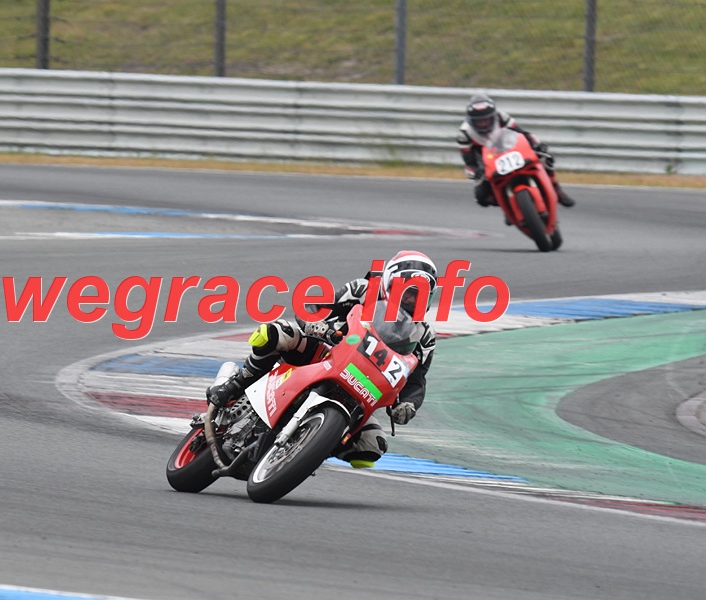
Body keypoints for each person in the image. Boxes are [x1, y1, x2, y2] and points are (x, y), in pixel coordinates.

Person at [206, 250, 438, 469]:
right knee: (275, 333)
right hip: (323, 353)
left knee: (371, 446)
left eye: (419, 295)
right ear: (389, 283)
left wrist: (408, 404)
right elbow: (311, 307)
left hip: (364, 388)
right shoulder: (362, 290)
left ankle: (305, 448)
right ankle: (235, 385)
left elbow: (416, 380)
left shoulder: (424, 336)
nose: (411, 300)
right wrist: (317, 325)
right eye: (408, 291)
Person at [457, 93, 576, 210]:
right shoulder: (464, 134)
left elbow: (521, 133)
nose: (484, 124)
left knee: (547, 158)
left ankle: (557, 190)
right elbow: (469, 161)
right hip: (488, 161)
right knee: (481, 196)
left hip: (511, 149)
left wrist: (536, 145)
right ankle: (508, 206)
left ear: (493, 117)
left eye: (486, 120)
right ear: (471, 121)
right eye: (479, 121)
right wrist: (477, 171)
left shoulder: (501, 117)